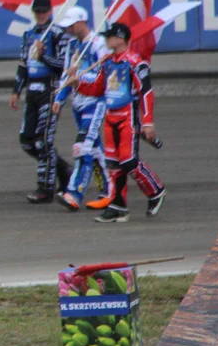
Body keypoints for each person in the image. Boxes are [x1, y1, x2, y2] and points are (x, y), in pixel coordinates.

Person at [67, 22, 166, 224]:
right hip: (110, 115)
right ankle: (118, 206)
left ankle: (155, 189)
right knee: (113, 164)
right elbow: (97, 88)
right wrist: (78, 83)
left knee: (128, 161)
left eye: (110, 36)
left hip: (128, 116)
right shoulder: (107, 62)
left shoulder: (135, 63)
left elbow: (146, 92)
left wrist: (147, 123)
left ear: (120, 38)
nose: (106, 39)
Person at [9, 0, 70, 204]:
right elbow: (23, 64)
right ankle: (63, 169)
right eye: (37, 11)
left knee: (44, 140)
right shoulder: (28, 35)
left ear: (50, 11)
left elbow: (64, 65)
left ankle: (45, 187)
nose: (41, 15)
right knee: (27, 141)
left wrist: (43, 55)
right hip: (32, 92)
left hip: (50, 90)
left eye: (44, 11)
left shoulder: (58, 34)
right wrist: (16, 90)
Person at [51, 7, 110, 212]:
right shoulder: (72, 46)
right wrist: (60, 98)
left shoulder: (98, 45)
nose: (68, 29)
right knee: (94, 150)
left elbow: (105, 76)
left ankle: (74, 193)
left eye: (71, 25)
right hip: (78, 104)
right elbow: (67, 75)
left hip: (94, 103)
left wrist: (80, 79)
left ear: (82, 22)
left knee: (81, 148)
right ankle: (109, 190)